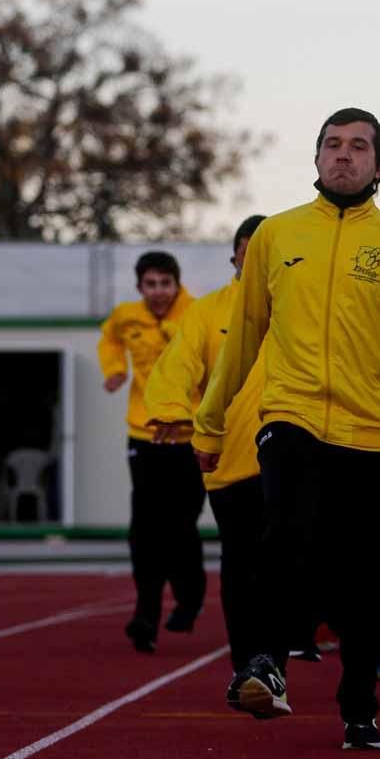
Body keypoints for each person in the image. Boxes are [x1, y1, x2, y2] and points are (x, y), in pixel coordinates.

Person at [193, 107, 380, 750]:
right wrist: (208, 424)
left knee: (367, 581)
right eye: (332, 145)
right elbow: (244, 338)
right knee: (284, 533)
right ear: (316, 159)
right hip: (290, 417)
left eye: (358, 147)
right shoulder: (277, 237)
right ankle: (266, 665)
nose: (344, 155)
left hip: (374, 435)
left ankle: (360, 707)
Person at [144, 215, 270, 676]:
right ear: (234, 255)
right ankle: (247, 662)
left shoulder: (302, 307)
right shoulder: (209, 311)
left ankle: (300, 632)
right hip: (228, 454)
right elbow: (177, 365)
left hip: (297, 451)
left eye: (265, 250)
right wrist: (173, 411)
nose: (255, 257)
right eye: (247, 248)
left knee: (293, 551)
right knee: (239, 556)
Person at [98, 250, 201, 654]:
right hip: (144, 435)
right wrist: (114, 371)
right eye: (150, 284)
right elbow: (108, 339)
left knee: (180, 525)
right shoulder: (127, 316)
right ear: (139, 287)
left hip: (190, 436)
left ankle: (190, 596)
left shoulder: (197, 313)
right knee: (144, 529)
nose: (158, 292)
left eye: (165, 284)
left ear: (177, 284)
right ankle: (145, 617)